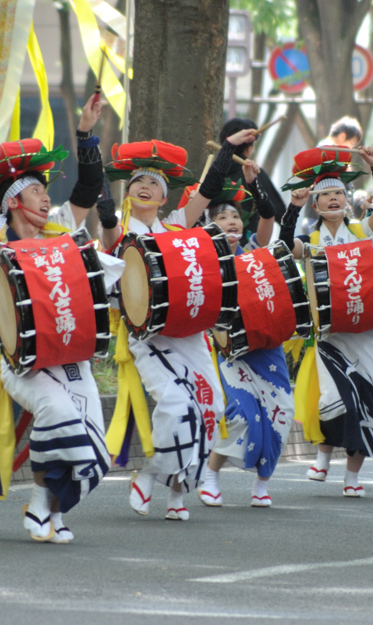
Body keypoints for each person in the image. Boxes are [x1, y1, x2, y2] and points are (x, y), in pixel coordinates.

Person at [0, 95, 113, 542]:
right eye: (36, 192)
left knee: (94, 446)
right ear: (15, 202)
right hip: (19, 359)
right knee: (59, 415)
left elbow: (87, 190)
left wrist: (85, 134)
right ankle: (43, 504)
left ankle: (50, 508)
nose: (46, 198)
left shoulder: (61, 230)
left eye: (45, 191)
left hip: (71, 354)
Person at [100, 130, 256, 521]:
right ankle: (150, 473)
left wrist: (229, 149)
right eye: (139, 181)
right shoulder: (119, 234)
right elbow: (105, 224)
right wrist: (89, 145)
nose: (146, 186)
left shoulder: (177, 227)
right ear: (128, 192)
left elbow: (209, 188)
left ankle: (176, 493)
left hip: (190, 333)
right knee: (175, 404)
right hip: (147, 337)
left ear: (165, 196)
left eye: (154, 182)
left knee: (209, 408)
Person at [279, 146, 373, 497]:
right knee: (334, 400)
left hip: (370, 333)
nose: (333, 199)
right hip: (332, 333)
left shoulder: (363, 231)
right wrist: (293, 208)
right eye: (325, 195)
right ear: (316, 204)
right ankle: (324, 454)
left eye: (338, 193)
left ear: (347, 200)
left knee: (371, 399)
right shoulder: (311, 240)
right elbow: (284, 246)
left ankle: (352, 477)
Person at [177, 162, 292, 508]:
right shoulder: (201, 260)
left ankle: (262, 483)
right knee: (239, 413)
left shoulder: (254, 250)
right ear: (206, 224)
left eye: (235, 217)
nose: (231, 222)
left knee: (281, 411)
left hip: (267, 346)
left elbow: (269, 217)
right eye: (222, 216)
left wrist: (255, 186)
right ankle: (211, 474)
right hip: (226, 349)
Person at [219, 118, 286, 231]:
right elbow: (280, 213)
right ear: (249, 148)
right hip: (248, 244)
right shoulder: (253, 173)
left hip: (213, 243)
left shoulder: (213, 172)